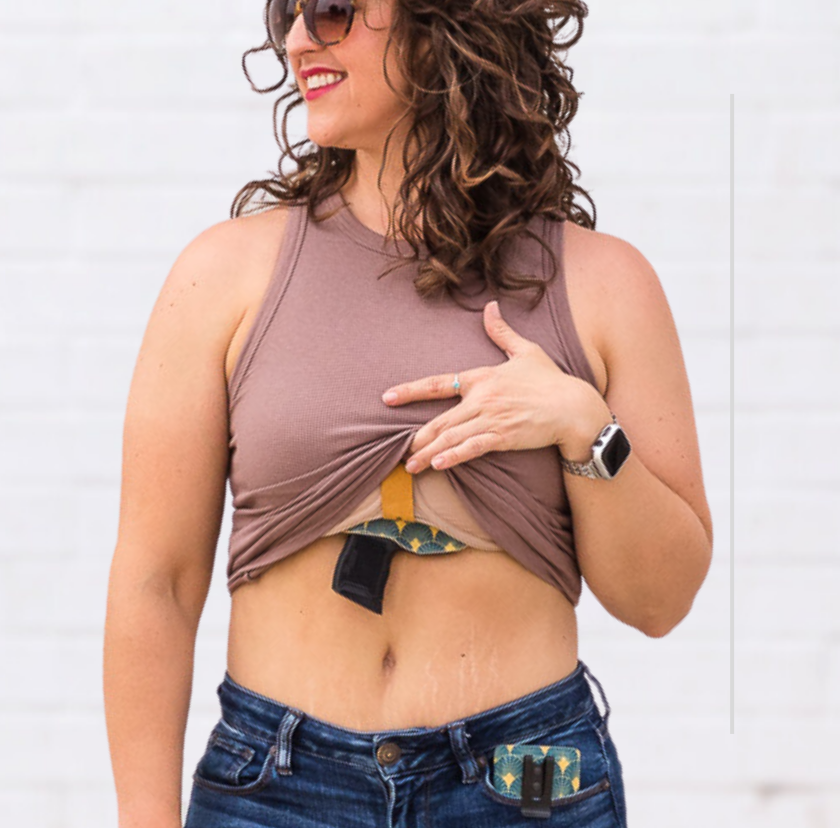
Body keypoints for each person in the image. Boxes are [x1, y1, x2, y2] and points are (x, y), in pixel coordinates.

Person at [103, 0, 714, 826]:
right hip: (275, 789)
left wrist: (580, 426)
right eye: (288, 13)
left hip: (523, 783)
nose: (294, 40)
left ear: (448, 24)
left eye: (330, 11)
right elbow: (156, 583)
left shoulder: (605, 285)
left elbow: (660, 601)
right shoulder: (223, 275)